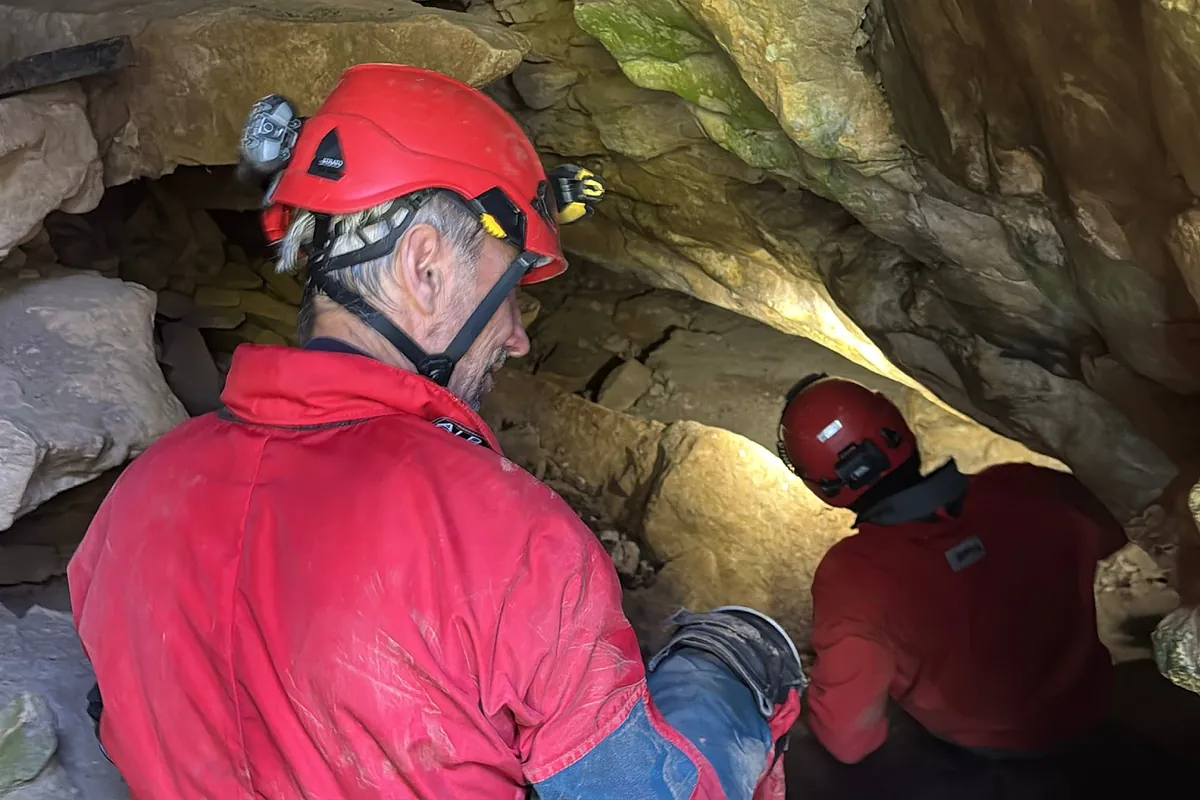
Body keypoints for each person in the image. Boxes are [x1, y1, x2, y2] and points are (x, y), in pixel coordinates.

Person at [67, 64, 803, 800]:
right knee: (719, 674)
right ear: (424, 266)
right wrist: (728, 686)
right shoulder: (509, 539)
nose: (515, 337)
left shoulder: (136, 502)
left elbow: (119, 712)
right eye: (509, 292)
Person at [775, 374, 1125, 765]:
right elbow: (1119, 526)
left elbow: (848, 738)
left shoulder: (853, 575)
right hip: (1092, 709)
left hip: (978, 746)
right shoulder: (1024, 486)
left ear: (824, 485)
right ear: (898, 429)